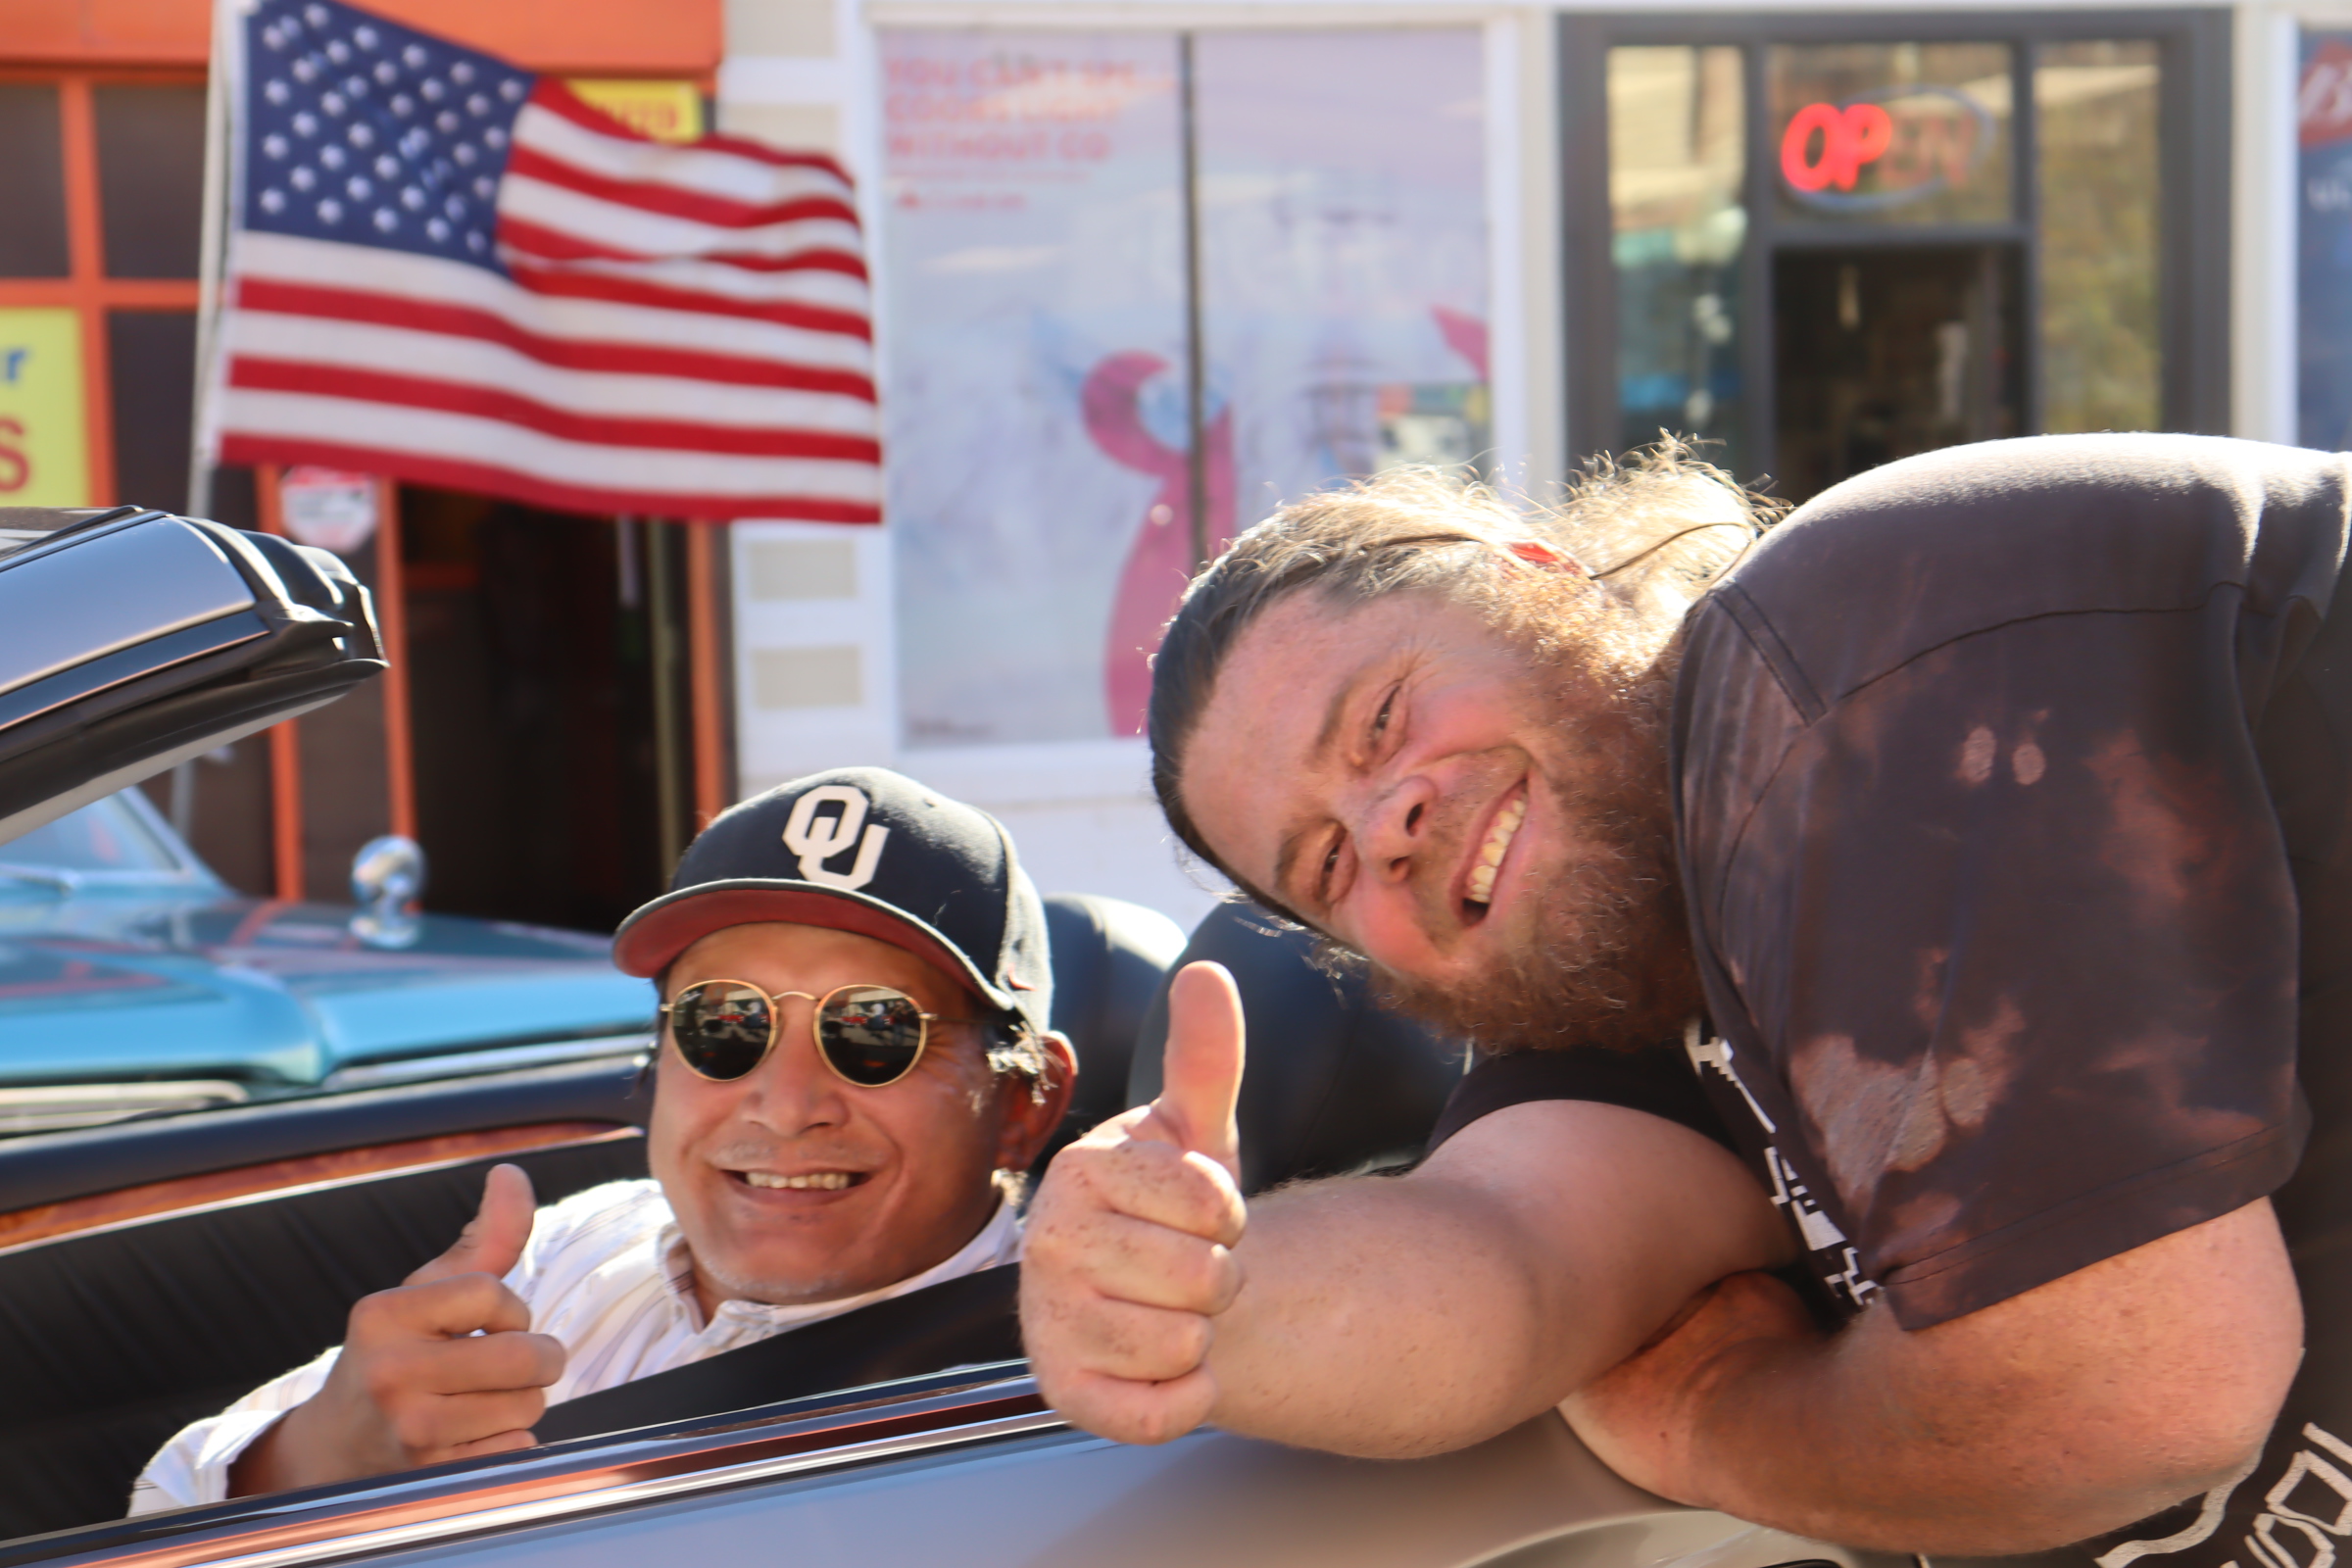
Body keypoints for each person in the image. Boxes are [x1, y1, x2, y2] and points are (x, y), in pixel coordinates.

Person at [1019, 434, 2352, 1568]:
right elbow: (1503, 1260)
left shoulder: (1846, 642)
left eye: (1383, 720)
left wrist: (1718, 1417)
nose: (1388, 824)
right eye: (1325, 867)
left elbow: (2134, 1391)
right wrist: (1204, 1297)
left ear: (1532, 578)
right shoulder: (1630, 998)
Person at [134, 766, 1073, 1512]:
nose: (786, 1107)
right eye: (724, 1023)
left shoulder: (1068, 1383)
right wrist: (327, 1449)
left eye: (874, 1030)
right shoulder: (575, 1245)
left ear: (1026, 1104)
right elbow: (165, 1502)